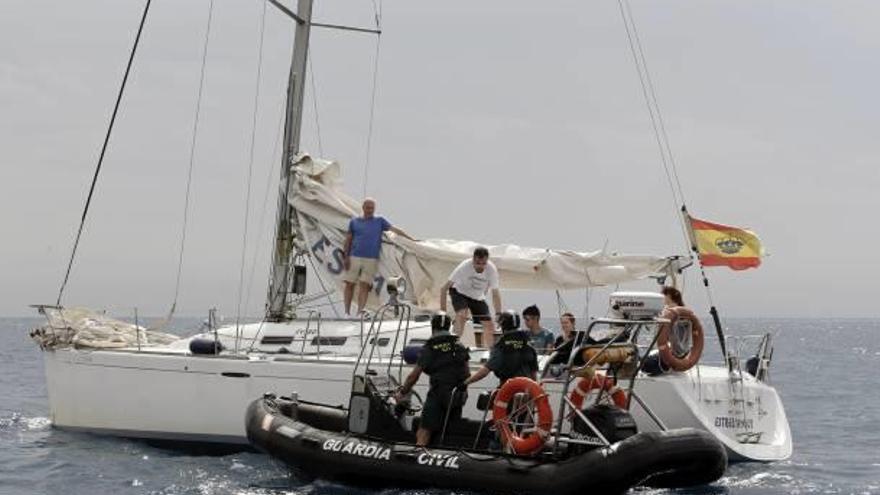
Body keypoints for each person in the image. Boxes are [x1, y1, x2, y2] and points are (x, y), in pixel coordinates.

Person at [395, 312, 470, 446]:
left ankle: (418, 454)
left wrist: (402, 392)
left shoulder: (430, 347)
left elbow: (414, 376)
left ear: (432, 327)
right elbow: (467, 373)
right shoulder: (459, 345)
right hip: (458, 396)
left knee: (424, 429)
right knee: (449, 429)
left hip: (438, 394)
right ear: (448, 327)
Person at [343, 198, 415, 315]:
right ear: (363, 208)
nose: (370, 210)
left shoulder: (379, 221)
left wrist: (411, 239)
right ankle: (346, 312)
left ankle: (360, 311)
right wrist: (345, 256)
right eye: (368, 208)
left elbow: (394, 229)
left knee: (364, 285)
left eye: (372, 208)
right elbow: (348, 239)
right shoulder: (354, 222)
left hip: (371, 258)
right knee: (349, 283)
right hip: (354, 256)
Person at [440, 247, 502, 347]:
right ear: (473, 260)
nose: (481, 267)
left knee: (489, 324)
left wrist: (499, 313)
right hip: (459, 292)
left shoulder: (492, 270)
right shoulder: (464, 266)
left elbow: (495, 293)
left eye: (484, 263)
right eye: (478, 263)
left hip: (477, 297)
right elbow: (443, 289)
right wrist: (442, 314)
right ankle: (452, 345)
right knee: (462, 314)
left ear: (487, 261)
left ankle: (492, 353)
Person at [462, 310, 537, 388]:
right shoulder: (528, 343)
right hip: (528, 389)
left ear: (503, 325)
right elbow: (534, 372)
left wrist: (466, 382)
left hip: (508, 389)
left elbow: (486, 370)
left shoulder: (501, 345)